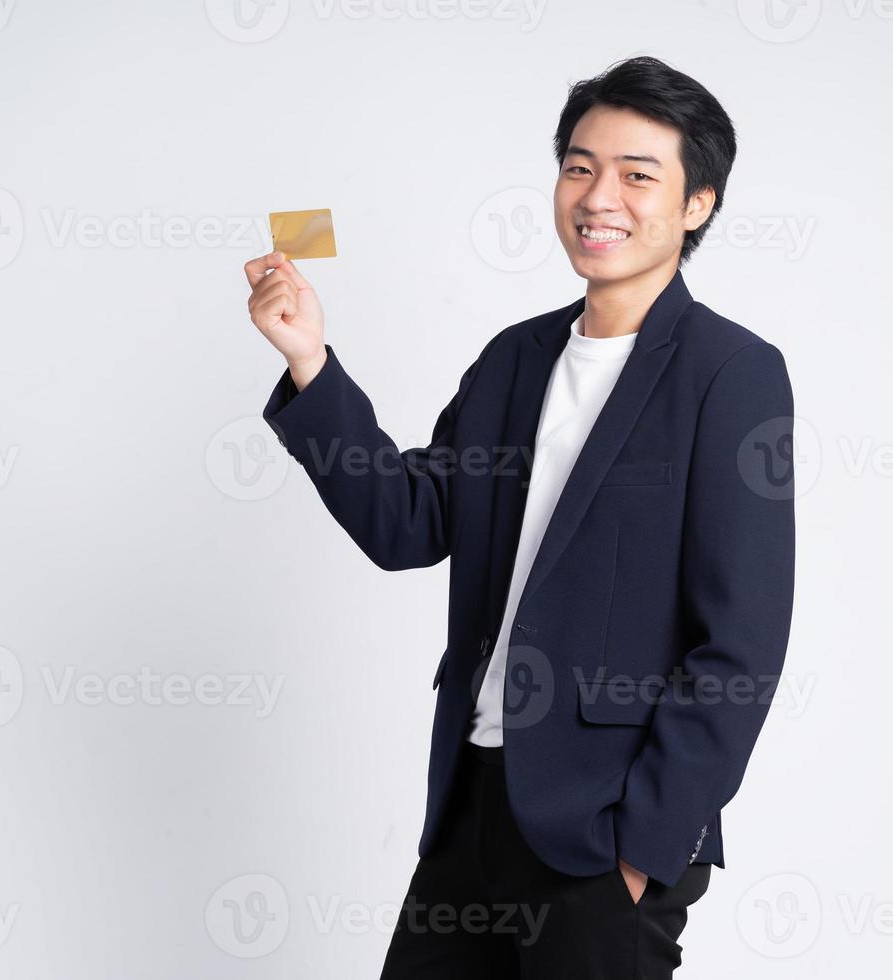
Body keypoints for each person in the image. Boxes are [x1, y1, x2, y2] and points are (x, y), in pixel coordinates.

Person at [245, 55, 795, 979]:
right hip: (470, 809)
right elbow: (406, 523)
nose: (597, 196)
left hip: (601, 837)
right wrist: (310, 363)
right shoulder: (515, 358)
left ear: (697, 203)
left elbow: (739, 644)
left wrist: (643, 847)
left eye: (636, 174)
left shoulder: (729, 375)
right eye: (578, 167)